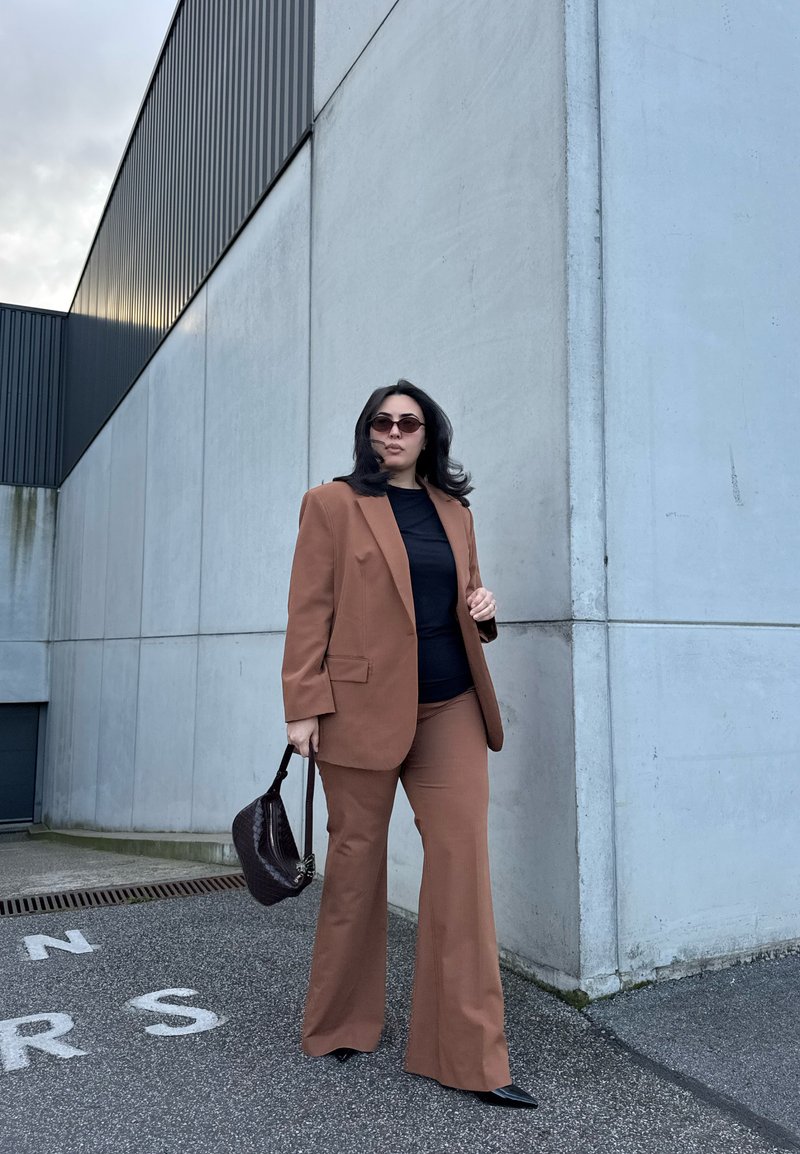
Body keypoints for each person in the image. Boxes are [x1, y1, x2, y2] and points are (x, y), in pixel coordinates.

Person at [281, 379, 537, 1109]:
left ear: (429, 435)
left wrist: (483, 611)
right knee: (356, 869)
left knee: (462, 868)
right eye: (381, 423)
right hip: (358, 710)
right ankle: (338, 1025)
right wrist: (302, 706)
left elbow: (468, 599)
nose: (393, 433)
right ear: (368, 433)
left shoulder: (455, 513)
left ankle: (468, 1056)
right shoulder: (331, 505)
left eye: (408, 423)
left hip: (450, 705)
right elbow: (309, 610)